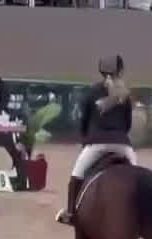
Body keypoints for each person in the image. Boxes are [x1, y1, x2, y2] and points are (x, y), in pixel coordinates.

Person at [56, 55, 137, 225]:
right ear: (120, 71)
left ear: (101, 71)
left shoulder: (92, 91)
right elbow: (128, 124)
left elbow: (84, 121)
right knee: (137, 178)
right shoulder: (125, 94)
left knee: (76, 177)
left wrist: (85, 139)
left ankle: (70, 213)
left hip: (97, 143)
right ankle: (140, 214)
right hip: (123, 145)